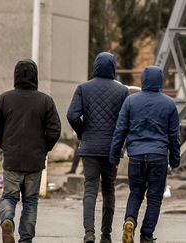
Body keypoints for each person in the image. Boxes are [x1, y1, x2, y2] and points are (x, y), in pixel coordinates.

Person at [0, 59, 61, 243]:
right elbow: (55, 131)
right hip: (34, 162)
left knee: (9, 197)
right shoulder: (45, 100)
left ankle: (7, 220)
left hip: (12, 160)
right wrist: (44, 148)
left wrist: (6, 146)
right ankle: (26, 239)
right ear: (35, 76)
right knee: (30, 202)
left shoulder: (4, 99)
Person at [110, 66, 180, 243]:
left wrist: (114, 154)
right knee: (155, 198)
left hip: (136, 156)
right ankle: (146, 235)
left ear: (143, 80)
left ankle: (130, 220)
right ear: (160, 80)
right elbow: (174, 136)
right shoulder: (169, 104)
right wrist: (175, 159)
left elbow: (120, 130)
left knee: (136, 192)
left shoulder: (131, 102)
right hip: (158, 156)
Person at [67, 52, 129, 243]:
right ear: (113, 67)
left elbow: (72, 115)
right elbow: (125, 121)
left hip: (89, 148)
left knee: (90, 190)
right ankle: (106, 235)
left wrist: (82, 132)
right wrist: (120, 143)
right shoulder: (122, 91)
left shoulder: (83, 88)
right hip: (111, 149)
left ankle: (89, 233)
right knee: (109, 191)